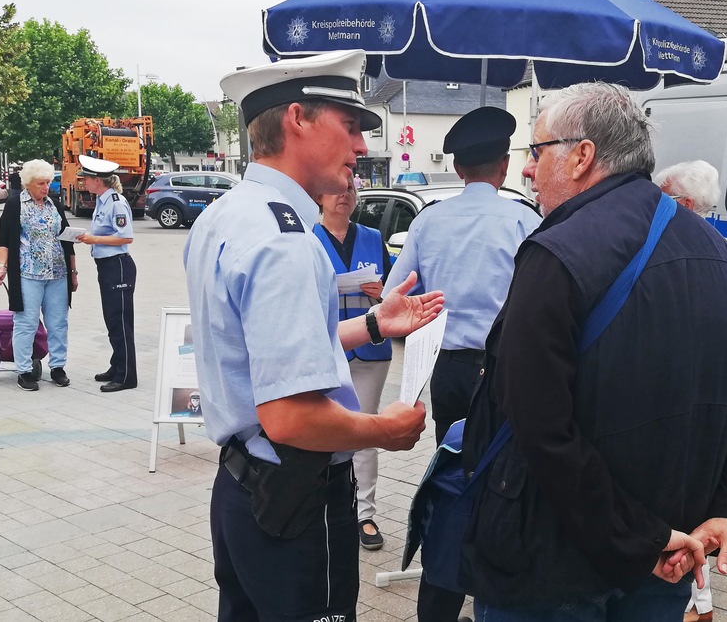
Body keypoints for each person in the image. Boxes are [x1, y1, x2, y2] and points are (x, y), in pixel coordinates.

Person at [460, 82, 727, 621]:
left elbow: (539, 425)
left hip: (554, 567)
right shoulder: (719, 252)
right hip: (669, 553)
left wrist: (638, 536)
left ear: (582, 156)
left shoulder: (556, 252)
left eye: (536, 152)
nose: (527, 171)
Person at [185, 50, 441, 622]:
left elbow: (272, 348)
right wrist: (385, 430)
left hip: (243, 488)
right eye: (349, 126)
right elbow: (292, 417)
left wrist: (375, 323)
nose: (360, 147)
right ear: (298, 118)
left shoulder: (226, 214)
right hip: (295, 494)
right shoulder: (287, 241)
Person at [381, 106, 541, 622]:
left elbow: (393, 296)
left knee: (454, 474)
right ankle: (492, 589)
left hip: (446, 368)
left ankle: (442, 595)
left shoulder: (428, 220)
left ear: (458, 167)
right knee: (503, 478)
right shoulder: (524, 219)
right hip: (506, 371)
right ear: (503, 165)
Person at [654, 159, 724, 622]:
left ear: (679, 203)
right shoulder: (722, 253)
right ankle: (700, 600)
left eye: (659, 195)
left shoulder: (663, 252)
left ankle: (697, 600)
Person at [315, 183, 394, 551]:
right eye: (335, 190)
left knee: (364, 432)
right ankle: (323, 507)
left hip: (371, 351)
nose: (343, 195)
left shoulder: (374, 237)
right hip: (326, 350)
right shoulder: (306, 237)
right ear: (320, 197)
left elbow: (394, 289)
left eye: (349, 190)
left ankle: (364, 513)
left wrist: (382, 292)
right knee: (323, 432)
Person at [0, 158, 77, 391]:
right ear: (28, 183)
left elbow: (67, 240)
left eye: (48, 183)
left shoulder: (54, 205)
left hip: (57, 274)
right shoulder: (15, 204)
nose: (45, 187)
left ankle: (58, 367)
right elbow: (3, 239)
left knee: (58, 323)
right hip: (28, 274)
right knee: (26, 323)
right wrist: (1, 268)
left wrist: (73, 272)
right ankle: (24, 371)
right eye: (40, 183)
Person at [75, 156, 138, 393]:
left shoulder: (116, 203)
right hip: (107, 266)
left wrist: (94, 239)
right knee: (112, 320)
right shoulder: (103, 200)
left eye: (86, 179)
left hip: (118, 265)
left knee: (121, 322)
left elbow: (126, 236)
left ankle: (127, 376)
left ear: (97, 181)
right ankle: (117, 365)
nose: (83, 183)